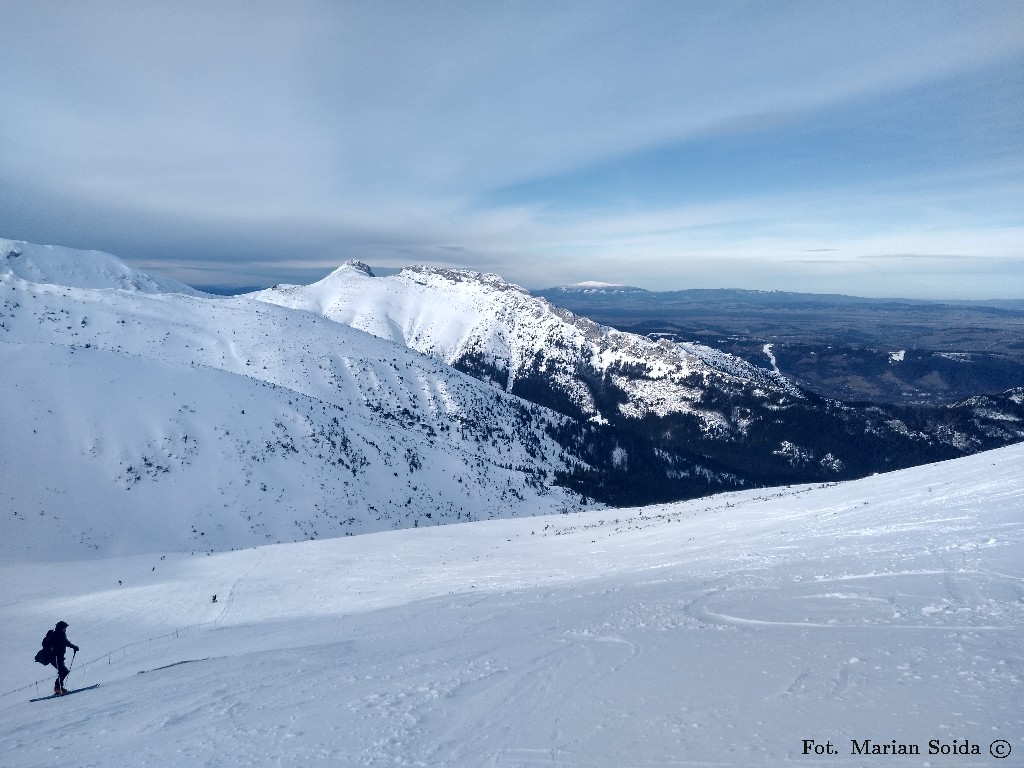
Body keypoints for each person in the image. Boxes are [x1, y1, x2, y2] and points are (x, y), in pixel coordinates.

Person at [41, 621, 79, 694]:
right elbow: (47, 645)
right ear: (60, 628)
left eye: (65, 628)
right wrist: (51, 648)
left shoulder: (62, 635)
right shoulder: (54, 635)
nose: (65, 629)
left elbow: (66, 642)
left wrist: (74, 647)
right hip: (54, 657)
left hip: (60, 657)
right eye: (64, 628)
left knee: (63, 671)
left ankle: (59, 688)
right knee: (63, 671)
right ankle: (57, 688)